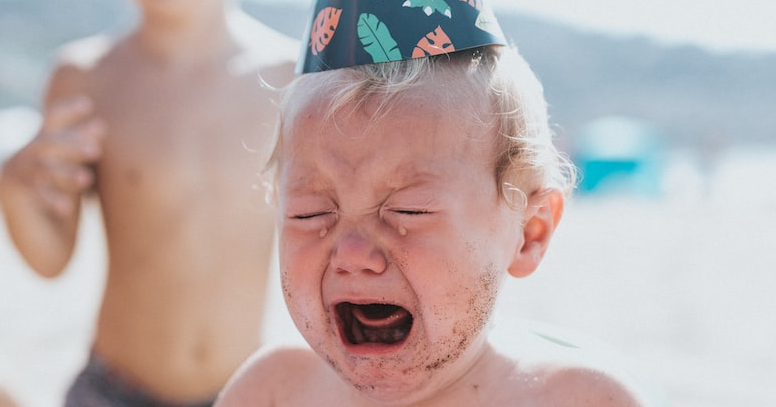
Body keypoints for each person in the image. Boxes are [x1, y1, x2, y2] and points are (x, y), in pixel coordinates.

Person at [215, 1, 650, 406]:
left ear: (529, 233)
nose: (351, 255)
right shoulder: (272, 391)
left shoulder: (575, 398)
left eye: (409, 210)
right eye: (310, 213)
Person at [0, 0, 297, 405]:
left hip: (240, 390)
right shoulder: (84, 76)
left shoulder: (288, 76)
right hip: (113, 390)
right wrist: (14, 184)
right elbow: (51, 260)